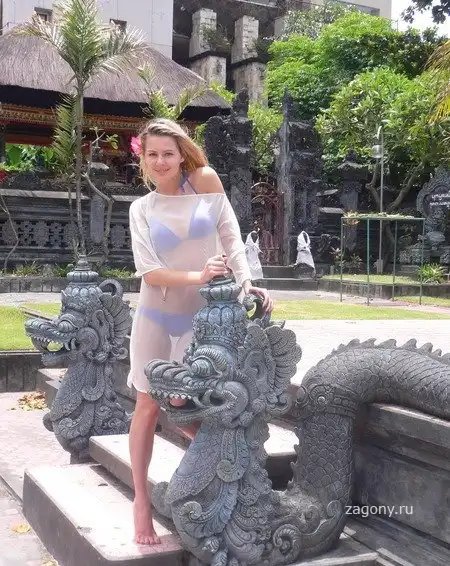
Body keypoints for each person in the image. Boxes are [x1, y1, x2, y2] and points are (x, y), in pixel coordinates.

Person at [127, 118, 274, 546]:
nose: (160, 162)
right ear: (143, 158)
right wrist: (201, 275)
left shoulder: (203, 181)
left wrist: (246, 283)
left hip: (203, 316)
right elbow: (150, 272)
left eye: (168, 153)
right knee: (147, 404)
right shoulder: (141, 208)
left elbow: (230, 236)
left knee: (187, 401)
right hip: (157, 314)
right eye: (152, 154)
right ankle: (141, 501)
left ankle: (224, 465)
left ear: (181, 154)